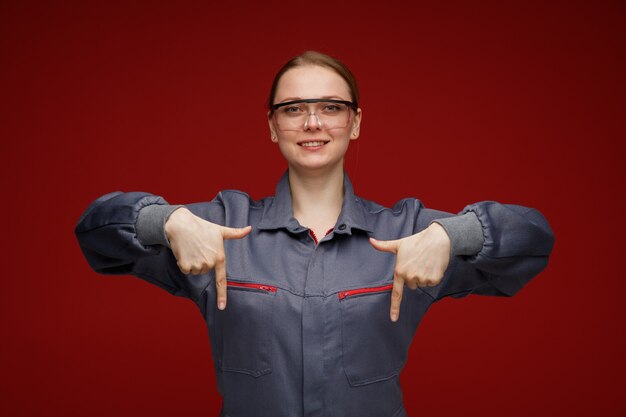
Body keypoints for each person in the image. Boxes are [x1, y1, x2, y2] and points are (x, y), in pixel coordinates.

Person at [74, 51, 554, 417]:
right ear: (272, 125)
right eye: (293, 109)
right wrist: (168, 221)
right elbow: (95, 230)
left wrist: (456, 233)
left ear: (355, 122)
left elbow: (535, 237)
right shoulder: (217, 226)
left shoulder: (408, 231)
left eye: (330, 106)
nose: (312, 123)